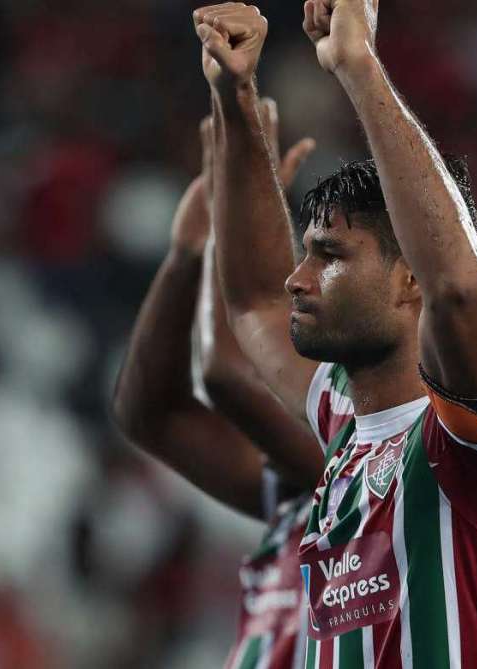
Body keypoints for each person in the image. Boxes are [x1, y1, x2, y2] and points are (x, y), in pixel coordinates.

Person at [192, 2, 477, 666]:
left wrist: (358, 67)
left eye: (330, 256)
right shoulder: (346, 421)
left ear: (409, 280)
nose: (297, 279)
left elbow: (458, 287)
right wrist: (235, 94)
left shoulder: (475, 442)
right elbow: (252, 301)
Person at [111, 102, 329, 669]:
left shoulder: (381, 462)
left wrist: (234, 226)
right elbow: (150, 416)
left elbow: (228, 373)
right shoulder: (304, 490)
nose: (309, 284)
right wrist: (188, 255)